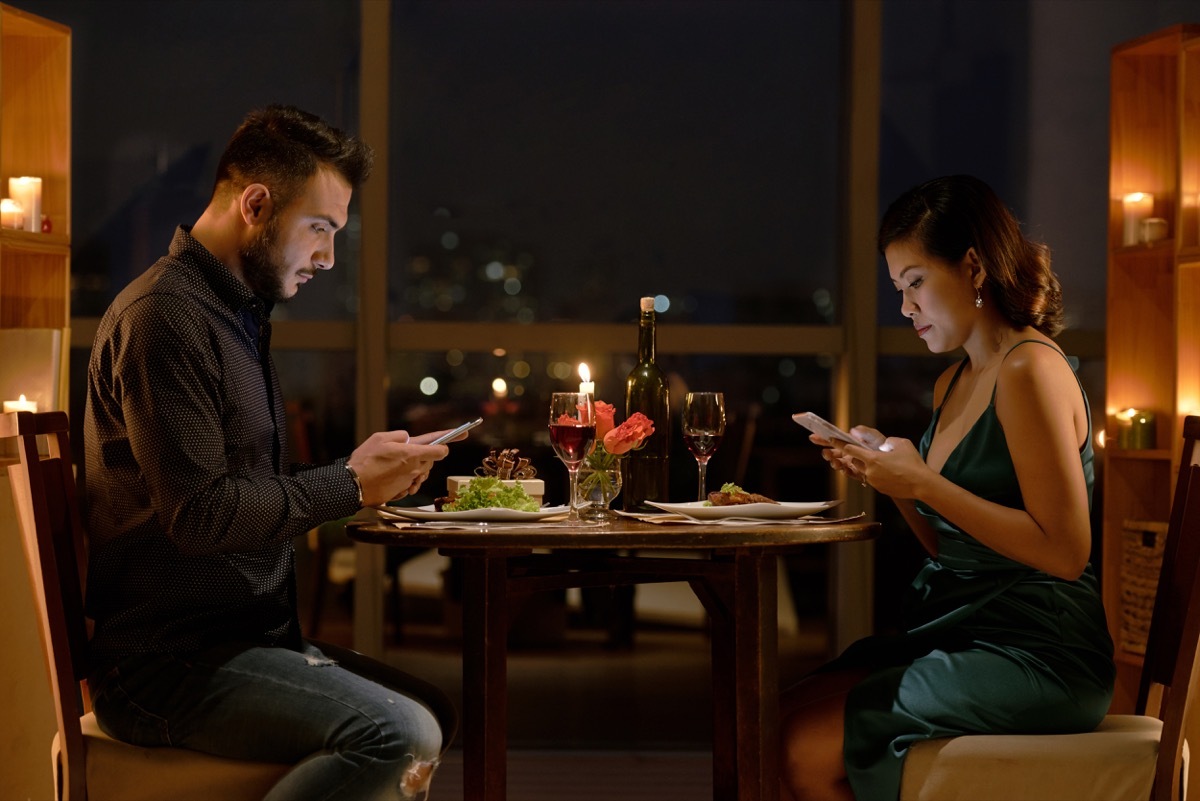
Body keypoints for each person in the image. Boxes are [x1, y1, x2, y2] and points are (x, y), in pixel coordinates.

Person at [83, 105, 461, 800]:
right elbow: (200, 514)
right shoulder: (164, 316)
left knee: (435, 710)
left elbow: (250, 492)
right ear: (255, 204)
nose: (328, 257)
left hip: (240, 641)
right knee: (397, 733)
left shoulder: (234, 315)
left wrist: (364, 484)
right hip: (167, 667)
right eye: (320, 229)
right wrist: (348, 482)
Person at [779, 175, 1115, 801]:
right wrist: (892, 480)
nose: (905, 309)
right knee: (773, 717)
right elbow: (950, 549)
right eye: (897, 289)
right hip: (963, 628)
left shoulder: (1030, 371)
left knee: (802, 746)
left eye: (915, 283)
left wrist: (925, 482)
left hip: (1039, 652)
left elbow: (1067, 553)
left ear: (973, 268)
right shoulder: (954, 382)